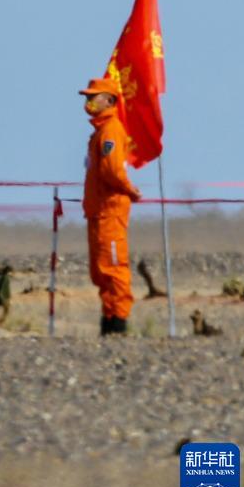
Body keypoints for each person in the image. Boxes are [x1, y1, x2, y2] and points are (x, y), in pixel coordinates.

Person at [79, 78, 142, 335]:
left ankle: (118, 323)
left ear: (109, 100)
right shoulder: (100, 131)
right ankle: (108, 320)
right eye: (87, 97)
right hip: (98, 211)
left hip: (110, 212)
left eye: (94, 96)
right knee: (100, 270)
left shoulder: (111, 131)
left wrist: (129, 189)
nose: (88, 101)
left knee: (114, 269)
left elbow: (113, 170)